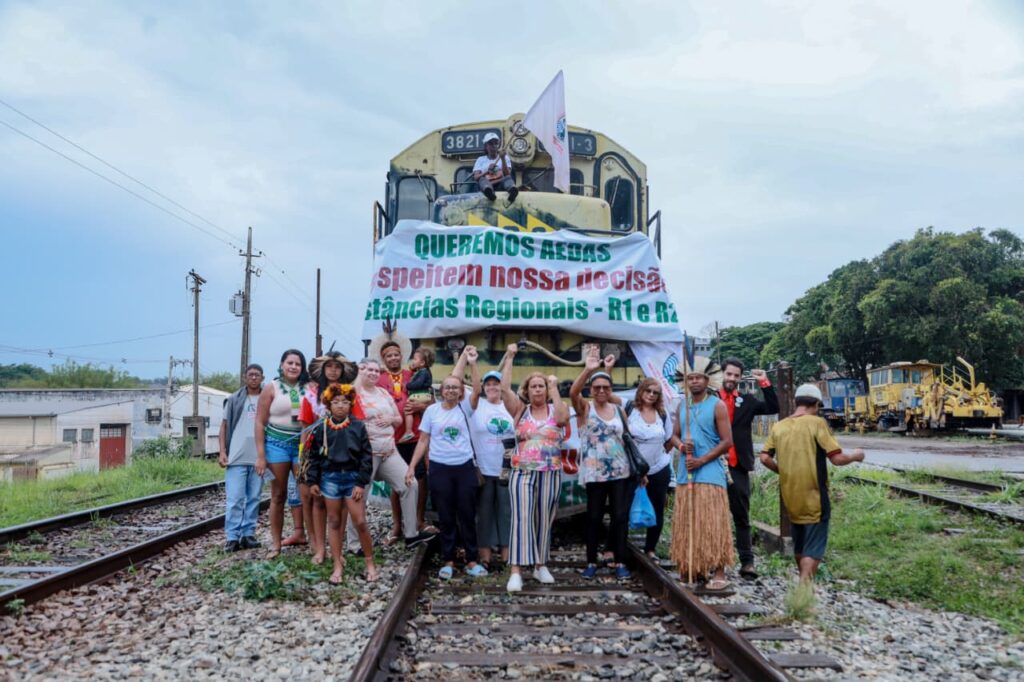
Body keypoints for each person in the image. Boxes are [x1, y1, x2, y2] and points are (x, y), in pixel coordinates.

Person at [759, 384, 865, 584]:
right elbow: (837, 458)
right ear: (816, 404)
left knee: (799, 543)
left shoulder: (779, 426)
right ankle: (805, 587)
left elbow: (764, 458)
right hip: (815, 495)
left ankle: (803, 582)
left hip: (790, 496)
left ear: (796, 402)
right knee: (814, 545)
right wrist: (856, 456)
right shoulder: (817, 423)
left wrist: (783, 472)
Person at [346, 358, 435, 553]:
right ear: (359, 370)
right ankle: (354, 544)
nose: (372, 373)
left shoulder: (383, 393)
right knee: (359, 495)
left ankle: (411, 534)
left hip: (388, 449)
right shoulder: (352, 393)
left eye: (376, 371)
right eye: (367, 369)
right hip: (365, 454)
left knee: (409, 484)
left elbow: (397, 419)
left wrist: (389, 418)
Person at [406, 372, 488, 580]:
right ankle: (448, 560)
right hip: (440, 468)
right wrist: (411, 466)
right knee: (446, 516)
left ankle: (472, 559)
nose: (451, 390)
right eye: (447, 387)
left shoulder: (466, 408)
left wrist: (472, 363)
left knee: (467, 514)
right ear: (441, 391)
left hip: (464, 467)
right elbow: (423, 440)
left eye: (455, 387)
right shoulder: (432, 411)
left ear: (461, 391)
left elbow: (478, 390)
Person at [503, 344, 568, 592]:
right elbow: (505, 388)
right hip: (522, 471)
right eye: (534, 386)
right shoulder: (520, 410)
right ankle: (516, 571)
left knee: (544, 518)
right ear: (527, 391)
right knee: (521, 517)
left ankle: (540, 566)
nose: (538, 389)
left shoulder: (557, 409)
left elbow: (562, 420)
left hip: (550, 472)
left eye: (541, 385)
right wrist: (509, 357)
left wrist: (554, 387)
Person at [670, 357, 735, 590]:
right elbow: (674, 435)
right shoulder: (682, 405)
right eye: (690, 378)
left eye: (698, 377)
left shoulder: (716, 405)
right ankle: (693, 567)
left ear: (707, 380)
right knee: (689, 521)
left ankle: (719, 570)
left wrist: (702, 460)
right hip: (686, 471)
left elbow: (727, 441)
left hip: (709, 472)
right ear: (685, 382)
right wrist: (680, 447)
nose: (694, 381)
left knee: (713, 522)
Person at [304, 383, 378, 584]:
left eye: (345, 402)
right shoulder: (321, 427)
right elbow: (314, 456)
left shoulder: (357, 426)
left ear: (351, 405)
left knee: (360, 521)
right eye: (336, 402)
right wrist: (313, 480)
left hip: (353, 478)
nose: (340, 406)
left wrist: (361, 483)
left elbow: (366, 456)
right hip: (330, 479)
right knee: (334, 521)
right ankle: (337, 564)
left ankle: (370, 562)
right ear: (328, 404)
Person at [571, 346, 633, 579]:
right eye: (596, 387)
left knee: (619, 517)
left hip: (620, 471)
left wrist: (639, 472)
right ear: (591, 389)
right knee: (594, 517)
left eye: (605, 387)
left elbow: (627, 440)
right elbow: (574, 392)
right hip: (595, 473)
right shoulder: (585, 409)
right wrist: (588, 369)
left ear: (611, 390)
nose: (601, 391)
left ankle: (619, 561)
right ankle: (591, 561)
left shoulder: (619, 410)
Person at [719, 358, 779, 579]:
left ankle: (747, 562)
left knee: (742, 515)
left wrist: (764, 382)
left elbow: (773, 407)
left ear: (740, 378)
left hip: (738, 465)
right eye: (729, 374)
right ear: (722, 374)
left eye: (736, 376)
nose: (732, 379)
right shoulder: (710, 399)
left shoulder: (747, 401)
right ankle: (715, 560)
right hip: (713, 463)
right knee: (715, 513)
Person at [299, 351, 358, 564]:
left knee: (340, 503)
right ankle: (319, 548)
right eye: (329, 366)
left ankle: (337, 550)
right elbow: (306, 425)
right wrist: (304, 457)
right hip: (316, 453)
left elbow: (357, 424)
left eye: (337, 367)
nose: (333, 370)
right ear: (323, 370)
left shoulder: (350, 393)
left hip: (343, 454)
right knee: (317, 500)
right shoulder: (311, 394)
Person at [255, 349, 311, 559]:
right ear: (281, 364)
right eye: (290, 362)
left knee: (306, 494)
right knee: (278, 496)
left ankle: (313, 542)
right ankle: (276, 545)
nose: (294, 367)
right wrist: (261, 455)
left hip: (303, 445)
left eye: (298, 363)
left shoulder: (310, 388)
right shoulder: (271, 388)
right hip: (276, 445)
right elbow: (259, 422)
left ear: (303, 367)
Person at [466, 345, 517, 572]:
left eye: (496, 384)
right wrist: (473, 363)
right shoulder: (478, 406)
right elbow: (474, 389)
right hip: (484, 468)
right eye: (489, 384)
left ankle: (507, 553)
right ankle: (485, 554)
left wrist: (510, 358)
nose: (493, 387)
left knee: (507, 510)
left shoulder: (510, 406)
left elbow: (507, 386)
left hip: (507, 467)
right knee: (484, 511)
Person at [378, 341, 434, 535]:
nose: (393, 358)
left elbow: (432, 400)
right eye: (388, 356)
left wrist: (422, 407)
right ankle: (396, 524)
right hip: (391, 437)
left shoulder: (415, 374)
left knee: (420, 477)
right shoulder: (378, 378)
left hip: (416, 435)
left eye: (396, 354)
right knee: (396, 481)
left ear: (401, 356)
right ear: (383, 359)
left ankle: (419, 520)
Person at [624, 378, 681, 558]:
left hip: (658, 468)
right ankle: (620, 546)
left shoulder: (662, 414)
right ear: (641, 391)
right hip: (632, 469)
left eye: (655, 392)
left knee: (657, 508)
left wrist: (660, 454)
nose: (651, 395)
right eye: (648, 391)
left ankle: (650, 548)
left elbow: (670, 438)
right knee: (623, 508)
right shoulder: (630, 409)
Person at [218, 363, 265, 552]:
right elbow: (224, 427)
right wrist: (222, 451)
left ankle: (248, 534)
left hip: (258, 458)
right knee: (235, 499)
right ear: (245, 377)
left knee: (254, 498)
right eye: (251, 375)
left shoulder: (267, 399)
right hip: (236, 457)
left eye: (257, 375)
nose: (254, 378)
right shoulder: (233, 400)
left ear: (262, 378)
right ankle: (232, 537)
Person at [399, 346, 435, 444]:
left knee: (408, 410)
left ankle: (409, 431)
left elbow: (418, 384)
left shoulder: (423, 373)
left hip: (420, 395)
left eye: (415, 359)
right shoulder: (423, 371)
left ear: (422, 363)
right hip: (423, 395)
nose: (412, 361)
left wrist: (408, 385)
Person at [473, 132, 518, 202]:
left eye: (496, 143)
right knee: (482, 180)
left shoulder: (505, 158)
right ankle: (490, 194)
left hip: (501, 185)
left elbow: (507, 174)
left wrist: (502, 158)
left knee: (508, 179)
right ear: (486, 146)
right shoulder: (480, 159)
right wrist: (487, 171)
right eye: (491, 144)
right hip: (487, 185)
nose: (494, 146)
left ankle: (513, 192)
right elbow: (476, 177)